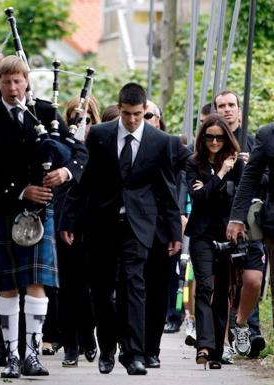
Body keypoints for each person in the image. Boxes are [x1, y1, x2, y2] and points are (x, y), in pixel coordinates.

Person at [0, 55, 88, 379]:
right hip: (4, 208)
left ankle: (32, 355)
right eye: (6, 81)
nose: (13, 88)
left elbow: (78, 152)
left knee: (37, 283)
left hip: (39, 213)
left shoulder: (46, 112)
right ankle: (11, 355)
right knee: (7, 286)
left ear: (26, 81)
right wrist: (21, 191)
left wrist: (65, 172)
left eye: (18, 81)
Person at [60, 83, 181, 376]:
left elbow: (167, 190)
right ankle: (107, 349)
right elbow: (83, 181)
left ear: (145, 111)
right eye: (126, 114)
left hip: (139, 224)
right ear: (120, 109)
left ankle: (134, 353)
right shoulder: (100, 136)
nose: (131, 120)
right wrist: (69, 220)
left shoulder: (159, 141)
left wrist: (174, 231)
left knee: (133, 284)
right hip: (101, 222)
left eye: (138, 114)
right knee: (101, 290)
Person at [185, 114, 243, 369]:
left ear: (227, 138)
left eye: (220, 137)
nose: (215, 142)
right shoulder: (193, 163)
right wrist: (220, 173)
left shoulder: (238, 164)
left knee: (222, 293)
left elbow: (239, 199)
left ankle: (218, 351)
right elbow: (200, 200)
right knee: (205, 287)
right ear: (203, 138)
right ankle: (204, 346)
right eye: (210, 137)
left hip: (227, 235)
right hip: (201, 233)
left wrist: (210, 185)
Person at [214, 90, 266, 358]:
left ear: (239, 109)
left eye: (231, 105)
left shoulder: (255, 141)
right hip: (218, 218)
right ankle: (220, 341)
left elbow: (263, 177)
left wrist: (249, 167)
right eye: (221, 105)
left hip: (249, 222)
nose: (227, 110)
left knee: (252, 279)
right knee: (221, 281)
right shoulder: (211, 142)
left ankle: (247, 328)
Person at [142, 100, 191, 368]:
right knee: (132, 288)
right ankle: (132, 347)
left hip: (163, 229)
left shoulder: (172, 145)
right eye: (141, 114)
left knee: (159, 291)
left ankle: (152, 349)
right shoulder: (122, 143)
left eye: (150, 115)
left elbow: (195, 167)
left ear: (159, 120)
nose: (145, 119)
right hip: (129, 228)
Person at [55, 96, 101, 367]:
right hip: (65, 220)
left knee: (92, 287)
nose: (79, 122)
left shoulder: (101, 145)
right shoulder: (62, 145)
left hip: (94, 223)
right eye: (73, 117)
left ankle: (88, 335)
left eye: (84, 117)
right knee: (69, 287)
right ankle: (70, 344)